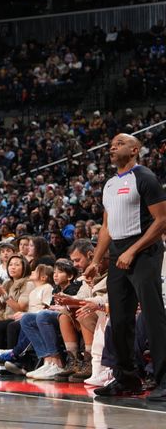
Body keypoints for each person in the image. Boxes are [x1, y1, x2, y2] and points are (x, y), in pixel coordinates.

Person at [83, 134, 166, 400]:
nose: (112, 146)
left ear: (134, 150)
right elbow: (106, 228)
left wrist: (132, 250)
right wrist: (96, 261)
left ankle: (164, 381)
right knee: (118, 321)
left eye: (118, 143)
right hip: (119, 254)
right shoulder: (108, 184)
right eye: (111, 144)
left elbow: (162, 221)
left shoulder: (145, 177)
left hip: (144, 252)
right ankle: (127, 379)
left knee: (153, 318)